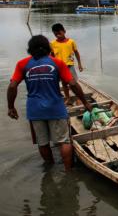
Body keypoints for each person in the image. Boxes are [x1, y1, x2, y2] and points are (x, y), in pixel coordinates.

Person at [7, 35, 93, 171]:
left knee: (43, 143)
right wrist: (84, 102)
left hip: (35, 110)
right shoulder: (57, 63)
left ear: (30, 49)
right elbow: (73, 84)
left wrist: (11, 107)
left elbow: (12, 87)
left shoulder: (22, 64)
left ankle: (50, 167)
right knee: (64, 141)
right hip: (56, 108)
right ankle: (68, 171)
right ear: (48, 48)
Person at [50, 23, 83, 105]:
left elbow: (76, 53)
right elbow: (52, 56)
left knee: (74, 83)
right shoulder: (52, 44)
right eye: (55, 34)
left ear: (64, 31)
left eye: (59, 33)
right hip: (59, 67)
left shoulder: (71, 42)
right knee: (64, 84)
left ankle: (79, 98)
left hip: (69, 66)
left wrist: (79, 64)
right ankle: (68, 98)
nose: (58, 35)